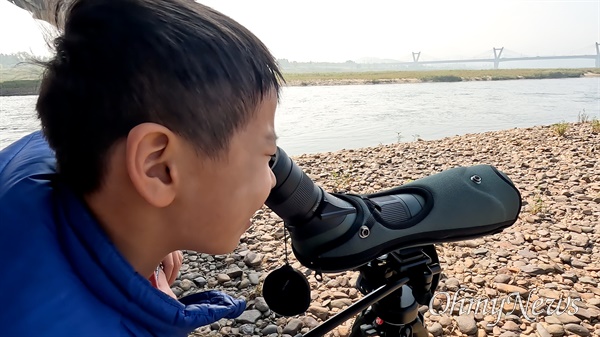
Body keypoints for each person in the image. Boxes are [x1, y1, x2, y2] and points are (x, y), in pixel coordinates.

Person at [0, 0, 283, 336]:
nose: (272, 180)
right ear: (158, 166)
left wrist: (149, 237)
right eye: (266, 157)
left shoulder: (36, 162)